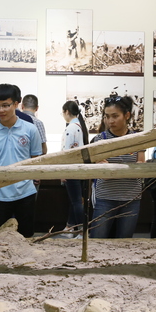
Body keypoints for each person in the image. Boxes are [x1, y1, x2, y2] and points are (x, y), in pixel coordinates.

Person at [0, 84, 42, 238]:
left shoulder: (30, 129)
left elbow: (36, 159)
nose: (1, 110)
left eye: (6, 105)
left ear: (16, 104)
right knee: (0, 238)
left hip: (25, 192)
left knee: (26, 236)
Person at [89, 95, 145, 239]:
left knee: (124, 242)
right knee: (98, 240)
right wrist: (129, 169)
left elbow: (141, 169)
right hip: (105, 198)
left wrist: (114, 169)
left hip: (131, 198)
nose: (110, 121)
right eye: (107, 116)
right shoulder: (100, 140)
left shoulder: (138, 139)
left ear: (127, 115)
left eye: (115, 116)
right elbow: (105, 174)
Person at [61, 100, 89, 235]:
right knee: (76, 200)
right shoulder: (79, 126)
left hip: (71, 168)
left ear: (67, 112)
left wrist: (63, 170)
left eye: (63, 112)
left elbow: (67, 152)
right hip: (78, 168)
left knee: (77, 202)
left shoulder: (71, 128)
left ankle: (82, 231)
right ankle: (70, 227)